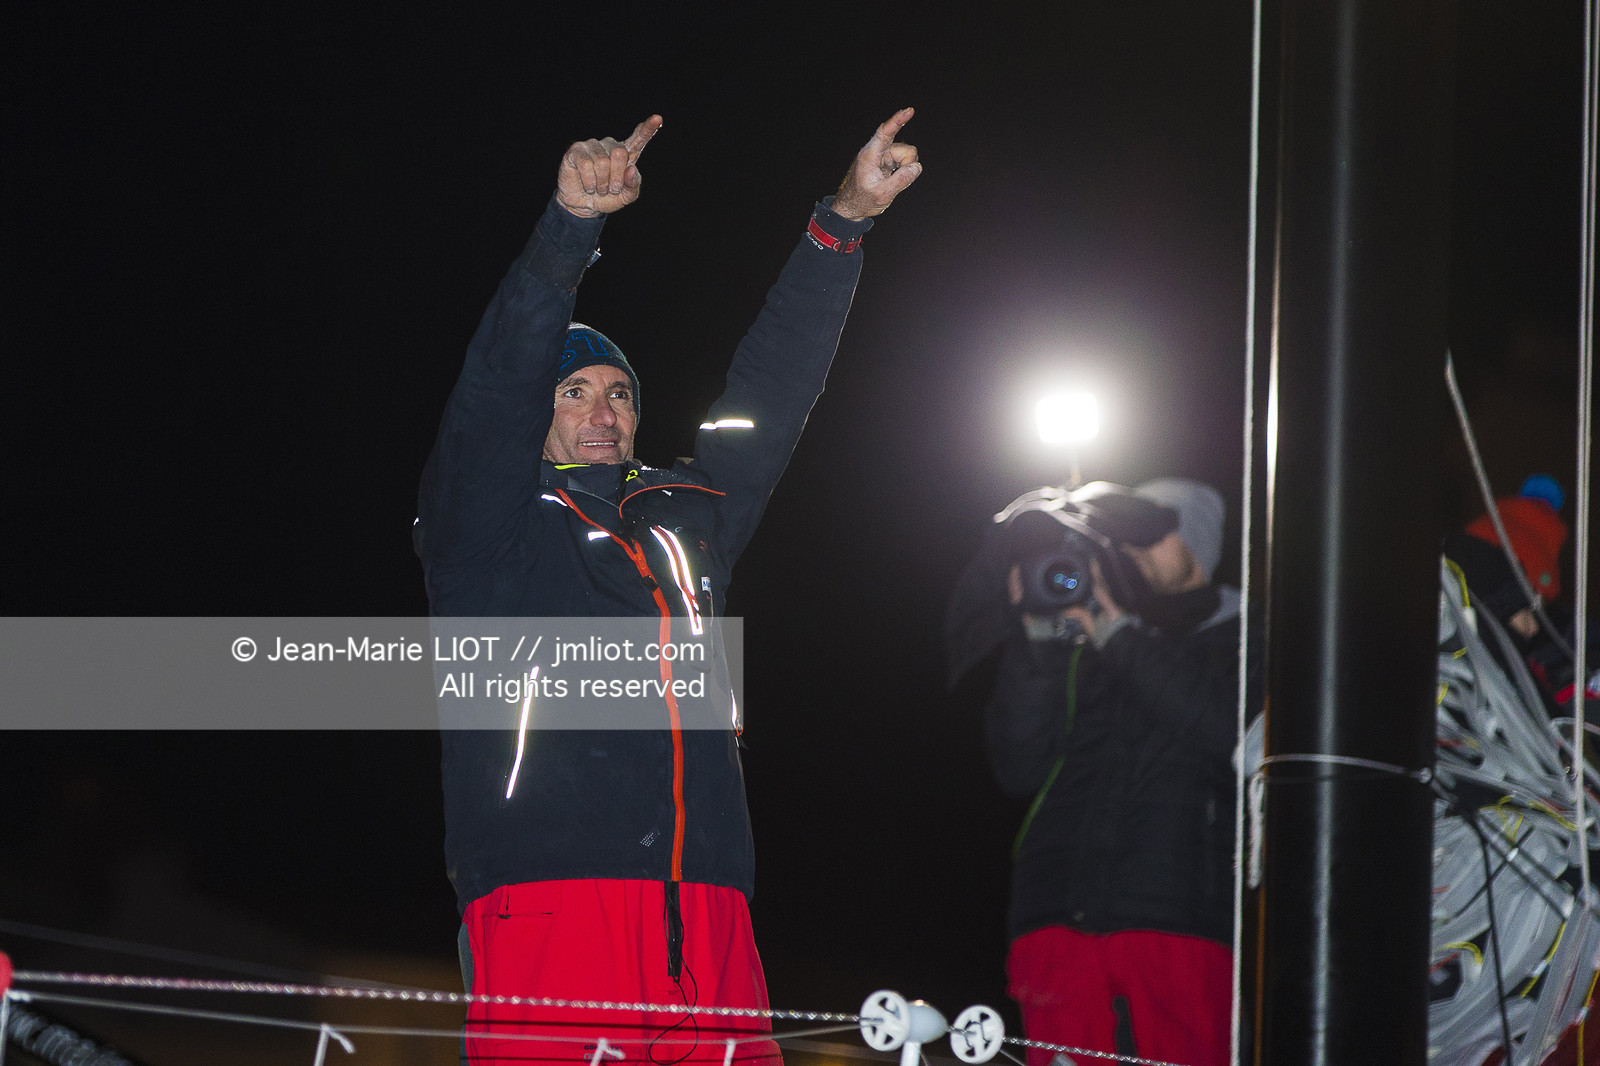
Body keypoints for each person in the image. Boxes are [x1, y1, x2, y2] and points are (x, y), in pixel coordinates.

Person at [415, 110, 921, 1065]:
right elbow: (493, 388)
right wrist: (570, 225)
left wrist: (842, 224)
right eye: (572, 393)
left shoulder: (690, 515)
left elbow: (771, 394)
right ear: (538, 417)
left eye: (619, 392)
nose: (602, 410)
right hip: (555, 899)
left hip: (714, 907)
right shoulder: (485, 532)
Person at [952, 478, 1242, 1066]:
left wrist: (1117, 637)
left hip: (1177, 921)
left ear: (1198, 543)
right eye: (1123, 537)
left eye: (1152, 536)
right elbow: (1018, 767)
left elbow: (1227, 732)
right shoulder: (1080, 633)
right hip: (1054, 920)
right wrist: (1037, 643)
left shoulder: (1244, 634)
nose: (1132, 550)